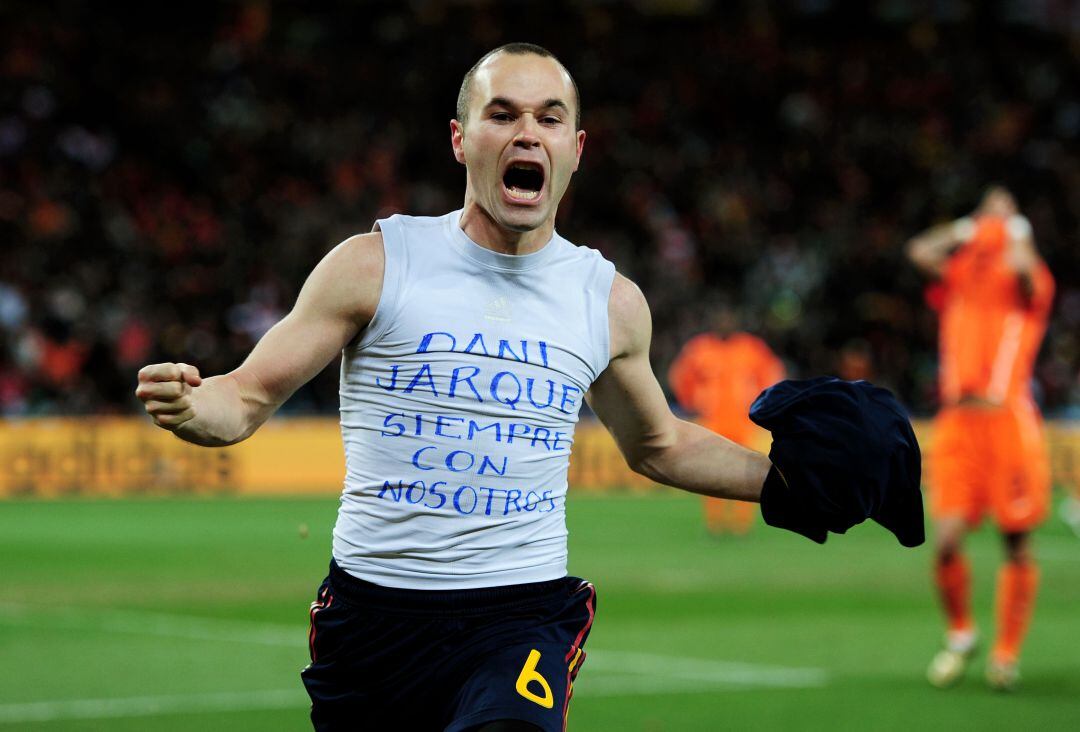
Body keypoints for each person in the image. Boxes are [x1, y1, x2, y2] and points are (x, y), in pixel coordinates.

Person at [136, 43, 920, 731]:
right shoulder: (377, 263)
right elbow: (243, 397)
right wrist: (190, 404)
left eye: (548, 118)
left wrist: (784, 484)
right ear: (461, 139)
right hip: (371, 621)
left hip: (519, 614)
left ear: (575, 149)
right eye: (502, 114)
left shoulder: (607, 300)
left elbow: (659, 443)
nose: (526, 134)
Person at [907, 186, 1055, 692]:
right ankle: (962, 633)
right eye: (987, 208)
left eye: (1003, 208)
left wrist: (1017, 229)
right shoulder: (962, 272)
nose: (993, 216)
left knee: (1015, 540)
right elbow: (919, 251)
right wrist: (966, 228)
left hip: (1008, 420)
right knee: (946, 542)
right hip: (957, 423)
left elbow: (1029, 278)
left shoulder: (1027, 280)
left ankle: (1006, 653)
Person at [668, 302, 785, 534]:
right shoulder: (700, 348)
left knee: (745, 471)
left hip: (743, 422)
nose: (724, 324)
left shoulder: (751, 347)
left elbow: (772, 374)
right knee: (710, 470)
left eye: (728, 320)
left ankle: (742, 523)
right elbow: (680, 376)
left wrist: (763, 404)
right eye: (720, 320)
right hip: (712, 421)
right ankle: (716, 521)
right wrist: (692, 401)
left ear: (735, 322)